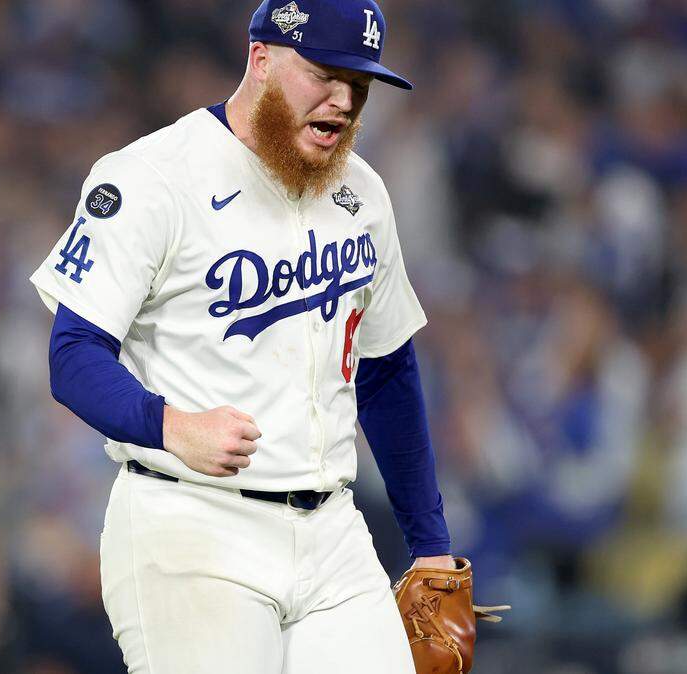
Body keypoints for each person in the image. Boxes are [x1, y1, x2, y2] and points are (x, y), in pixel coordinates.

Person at [30, 1, 453, 671]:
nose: (343, 100)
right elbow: (72, 355)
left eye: (360, 84)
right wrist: (171, 426)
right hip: (192, 526)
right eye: (324, 73)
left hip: (333, 533)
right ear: (261, 59)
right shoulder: (152, 178)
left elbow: (386, 370)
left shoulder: (362, 194)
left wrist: (429, 542)